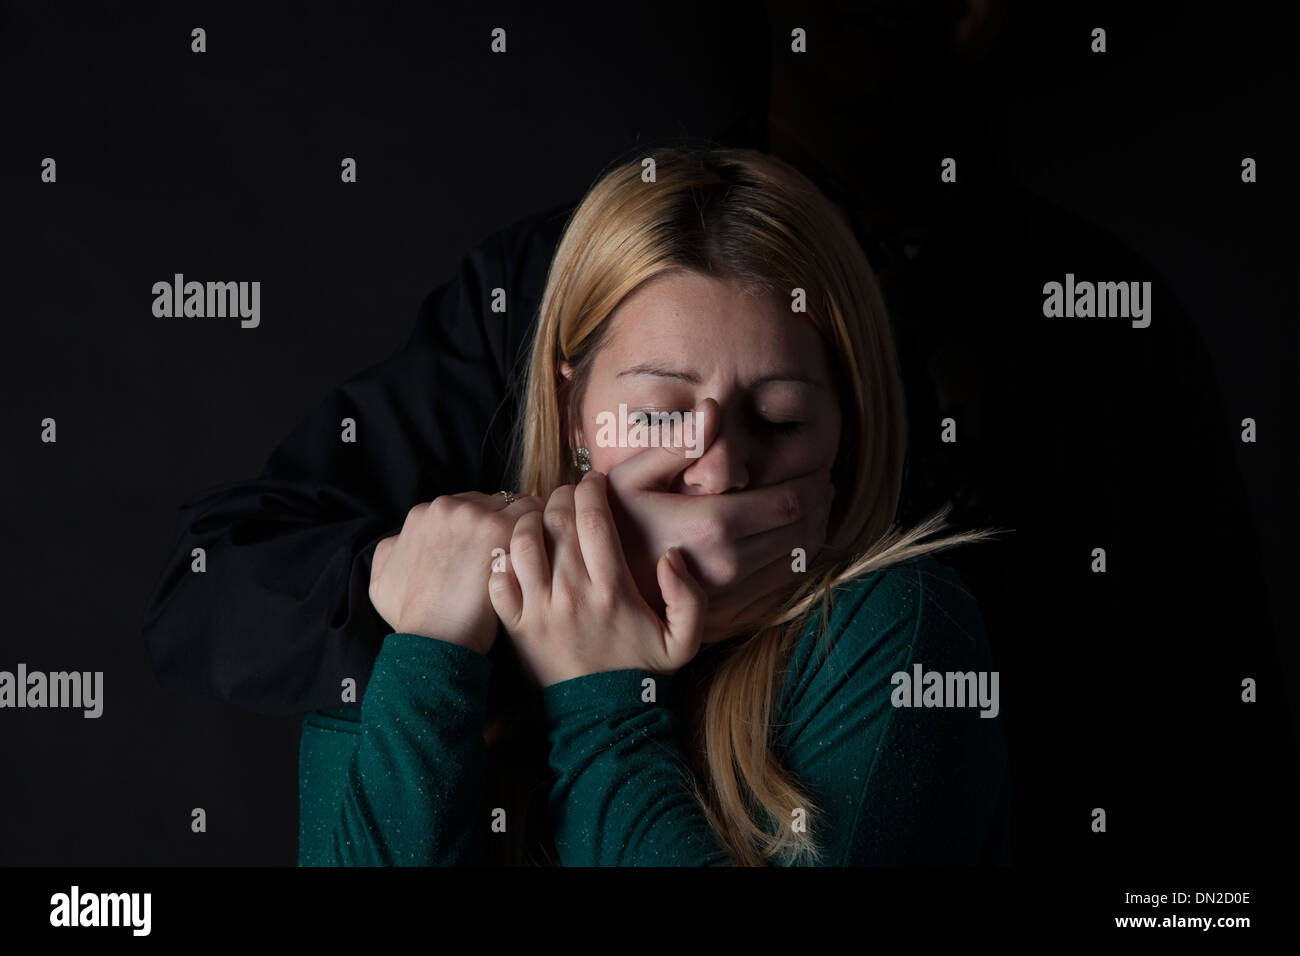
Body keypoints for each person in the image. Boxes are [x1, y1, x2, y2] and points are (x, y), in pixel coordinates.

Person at [298, 146, 1009, 866]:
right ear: (575, 411)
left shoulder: (900, 631)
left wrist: (600, 699)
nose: (722, 469)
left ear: (846, 429)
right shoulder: (451, 614)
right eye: (663, 416)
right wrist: (428, 660)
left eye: (779, 420)